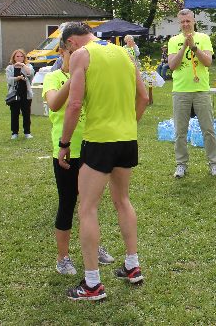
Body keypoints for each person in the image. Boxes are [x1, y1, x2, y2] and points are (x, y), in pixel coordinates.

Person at [58, 22, 149, 301]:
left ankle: (92, 284)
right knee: (123, 201)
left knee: (87, 208)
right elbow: (144, 97)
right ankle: (132, 266)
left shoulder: (81, 55)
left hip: (99, 140)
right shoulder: (124, 52)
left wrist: (64, 143)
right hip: (126, 139)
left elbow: (74, 104)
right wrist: (128, 125)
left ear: (71, 43)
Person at [42, 42, 114, 275]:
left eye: (78, 54)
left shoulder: (89, 76)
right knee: (67, 202)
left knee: (90, 204)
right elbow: (54, 104)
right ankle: (63, 258)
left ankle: (94, 246)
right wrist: (75, 77)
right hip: (66, 149)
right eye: (71, 53)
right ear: (61, 52)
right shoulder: (53, 77)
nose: (74, 57)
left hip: (90, 146)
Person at [167, 9, 216, 178]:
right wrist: (184, 46)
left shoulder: (204, 38)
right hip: (180, 91)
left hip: (201, 90)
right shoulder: (173, 40)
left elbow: (208, 62)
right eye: (182, 22)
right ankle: (181, 164)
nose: (185, 24)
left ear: (194, 21)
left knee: (208, 129)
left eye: (188, 21)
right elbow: (172, 65)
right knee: (180, 132)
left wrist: (194, 47)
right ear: (179, 23)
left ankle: (214, 163)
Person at [6, 49, 35, 139]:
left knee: (26, 113)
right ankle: (14, 133)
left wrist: (23, 65)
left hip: (25, 93)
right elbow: (9, 80)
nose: (19, 58)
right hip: (14, 94)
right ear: (14, 57)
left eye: (21, 56)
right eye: (17, 56)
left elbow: (31, 74)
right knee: (14, 113)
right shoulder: (10, 68)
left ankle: (27, 132)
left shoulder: (28, 66)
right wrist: (17, 78)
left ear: (24, 57)